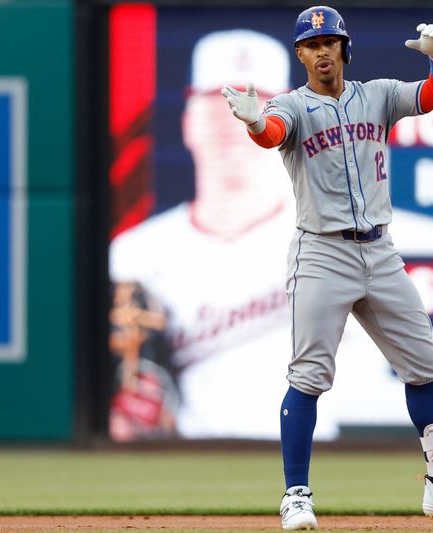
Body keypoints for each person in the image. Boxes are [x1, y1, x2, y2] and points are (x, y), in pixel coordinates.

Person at [221, 6, 433, 530]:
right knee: (309, 375)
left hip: (380, 249)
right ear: (300, 54)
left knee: (425, 365)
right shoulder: (292, 105)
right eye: (311, 44)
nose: (322, 50)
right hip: (322, 252)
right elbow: (271, 132)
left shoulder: (376, 94)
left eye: (330, 41)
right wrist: (256, 121)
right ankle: (296, 495)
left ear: (344, 47)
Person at [110, 29, 346, 440]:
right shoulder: (132, 254)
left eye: (256, 106)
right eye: (220, 105)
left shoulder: (337, 234)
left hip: (319, 456)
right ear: (188, 122)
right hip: (178, 463)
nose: (235, 121)